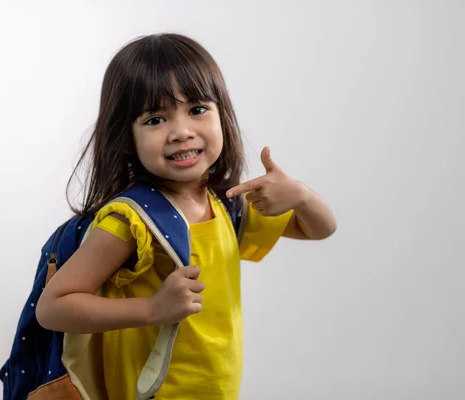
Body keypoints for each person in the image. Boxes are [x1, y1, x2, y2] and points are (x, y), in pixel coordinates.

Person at [35, 32, 336, 400]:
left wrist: (302, 196)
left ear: (221, 114)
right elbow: (53, 307)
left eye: (197, 110)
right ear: (127, 138)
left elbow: (321, 228)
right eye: (156, 118)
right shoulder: (131, 222)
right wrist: (152, 309)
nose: (181, 132)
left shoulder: (228, 205)